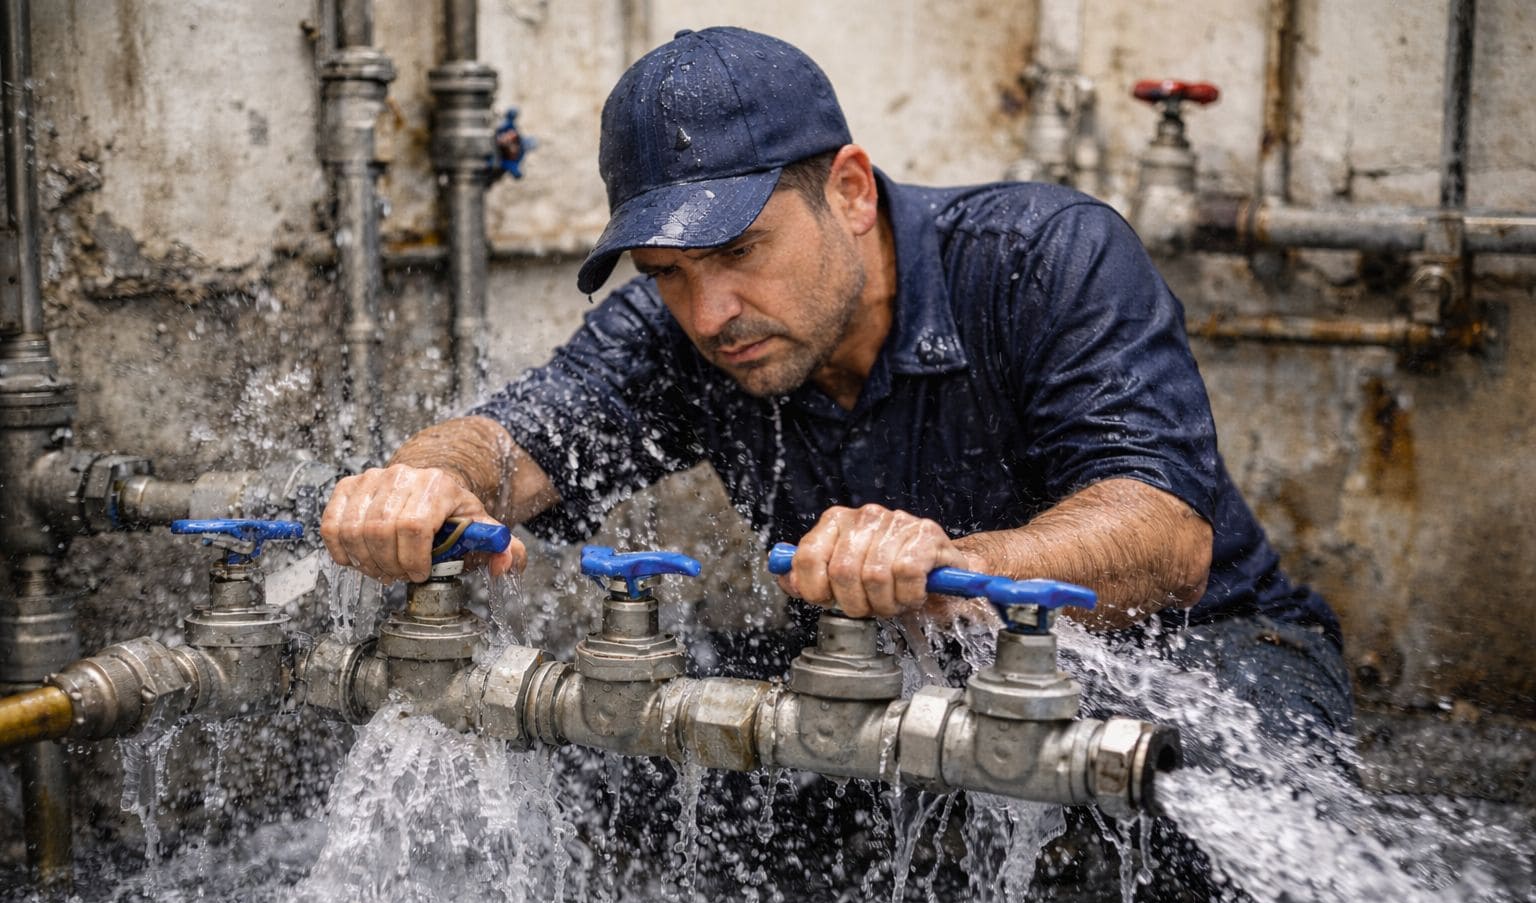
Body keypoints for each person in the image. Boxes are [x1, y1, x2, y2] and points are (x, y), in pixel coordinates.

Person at [319, 26, 1353, 740]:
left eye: (741, 251)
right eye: (670, 273)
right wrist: (424, 481)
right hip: (903, 667)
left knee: (1133, 812)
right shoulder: (682, 328)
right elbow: (514, 442)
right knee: (620, 739)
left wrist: (956, 565)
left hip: (1204, 655)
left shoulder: (1046, 258)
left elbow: (1165, 537)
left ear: (849, 191)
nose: (710, 311)